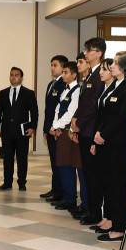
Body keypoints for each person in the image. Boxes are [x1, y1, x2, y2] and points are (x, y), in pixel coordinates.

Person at [94, 56, 126, 242]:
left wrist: (103, 134)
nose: (111, 66)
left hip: (119, 145)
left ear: (123, 67)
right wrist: (98, 134)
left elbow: (121, 118)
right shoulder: (115, 85)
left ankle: (119, 228)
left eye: (114, 63)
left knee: (118, 186)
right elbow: (104, 114)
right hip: (105, 143)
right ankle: (111, 220)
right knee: (108, 184)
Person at [72, 38, 106, 224]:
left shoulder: (100, 75)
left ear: (99, 53)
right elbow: (83, 103)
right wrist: (76, 119)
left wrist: (79, 122)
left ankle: (95, 213)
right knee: (87, 173)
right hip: (84, 130)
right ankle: (90, 209)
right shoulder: (90, 75)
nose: (85, 53)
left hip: (91, 130)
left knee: (93, 175)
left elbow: (94, 106)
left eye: (89, 50)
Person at [0, 67, 38, 191]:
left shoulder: (29, 93)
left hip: (22, 132)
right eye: (12, 75)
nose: (14, 77)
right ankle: (7, 182)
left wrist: (32, 127)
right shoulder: (3, 93)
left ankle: (22, 182)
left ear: (21, 77)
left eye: (16, 75)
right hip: (6, 131)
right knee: (7, 158)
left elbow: (34, 112)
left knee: (22, 158)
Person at [88, 58, 116, 234]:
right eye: (101, 69)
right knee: (102, 181)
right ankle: (106, 217)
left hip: (109, 141)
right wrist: (94, 140)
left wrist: (102, 135)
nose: (101, 72)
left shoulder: (115, 89)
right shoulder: (104, 90)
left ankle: (111, 218)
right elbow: (99, 118)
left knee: (110, 183)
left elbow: (112, 118)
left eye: (105, 70)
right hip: (99, 139)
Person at [51, 61, 82, 210]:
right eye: (62, 72)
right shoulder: (65, 90)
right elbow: (58, 109)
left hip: (68, 132)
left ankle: (70, 199)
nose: (63, 75)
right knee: (62, 165)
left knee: (67, 165)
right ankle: (66, 196)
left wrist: (57, 126)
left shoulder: (77, 90)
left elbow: (71, 112)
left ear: (74, 75)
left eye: (66, 72)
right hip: (61, 130)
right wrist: (55, 125)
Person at [40, 55, 67, 201]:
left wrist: (54, 127)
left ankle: (60, 192)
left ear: (63, 67)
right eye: (51, 65)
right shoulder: (51, 84)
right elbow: (48, 110)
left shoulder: (64, 84)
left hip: (57, 129)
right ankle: (55, 189)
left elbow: (61, 109)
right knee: (53, 161)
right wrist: (45, 129)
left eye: (55, 65)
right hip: (50, 129)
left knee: (59, 162)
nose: (52, 67)